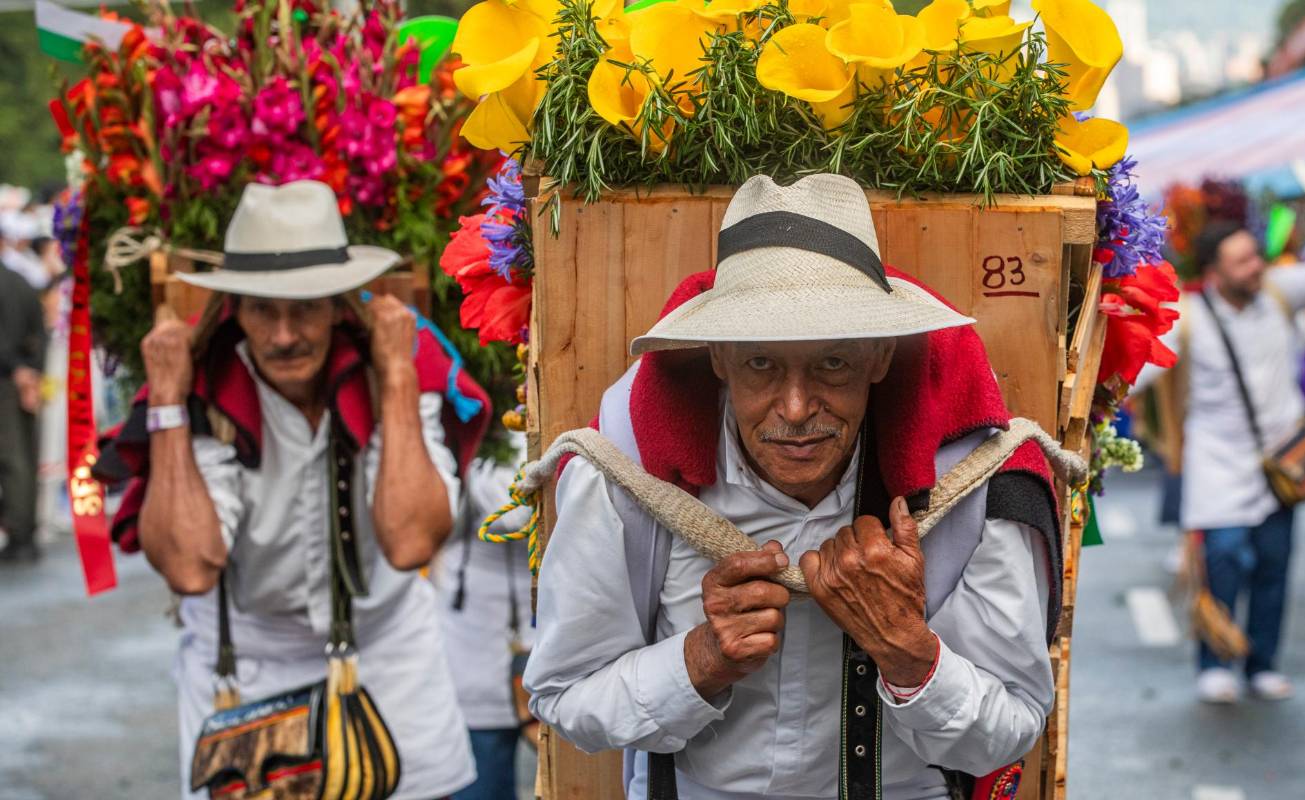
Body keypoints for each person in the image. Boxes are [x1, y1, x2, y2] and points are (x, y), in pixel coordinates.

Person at [524, 174, 1063, 799]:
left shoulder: (973, 477)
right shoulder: (626, 468)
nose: (798, 406)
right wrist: (698, 662)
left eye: (833, 362)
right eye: (761, 364)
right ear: (718, 359)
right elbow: (564, 695)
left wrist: (906, 650)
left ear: (881, 357)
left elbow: (1013, 725)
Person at [93, 180, 492, 799]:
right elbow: (189, 567)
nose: (282, 335)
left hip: (391, 666)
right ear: (235, 311)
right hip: (242, 680)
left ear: (339, 304)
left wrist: (395, 375)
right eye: (262, 309)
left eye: (303, 308)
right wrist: (168, 401)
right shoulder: (207, 390)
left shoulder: (398, 371)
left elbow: (412, 541)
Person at [1138, 179, 1305, 704]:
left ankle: (1262, 663)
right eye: (1242, 261)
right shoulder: (1191, 316)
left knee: (1274, 563)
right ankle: (1214, 661)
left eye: (1254, 256)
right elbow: (1144, 365)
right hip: (1217, 462)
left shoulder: (1278, 295)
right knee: (1222, 560)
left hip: (1282, 462)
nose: (1256, 266)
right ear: (1215, 272)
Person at [433, 448, 536, 800]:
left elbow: (513, 515)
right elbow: (508, 514)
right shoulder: (457, 436)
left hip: (538, 637)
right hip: (470, 654)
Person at [0, 257, 47, 563]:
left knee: (13, 459)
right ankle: (24, 529)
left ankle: (19, 532)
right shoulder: (21, 281)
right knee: (24, 457)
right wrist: (32, 372)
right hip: (23, 378)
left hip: (6, 379)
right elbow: (40, 332)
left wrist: (18, 369)